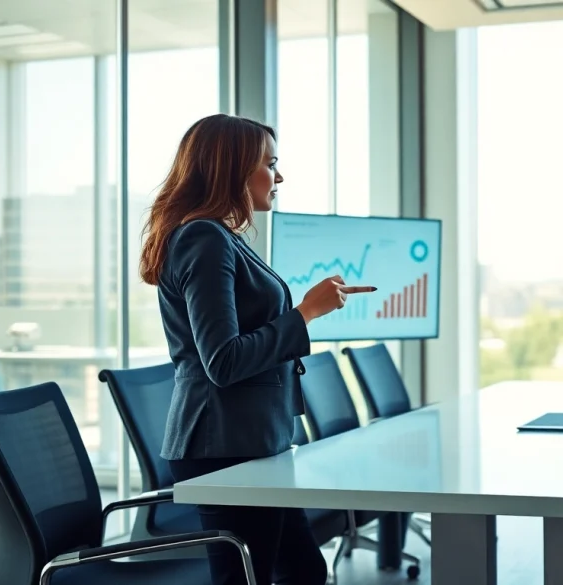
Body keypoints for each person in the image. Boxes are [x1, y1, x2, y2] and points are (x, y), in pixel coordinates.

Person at [139, 113, 376, 585]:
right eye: (270, 163)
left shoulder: (218, 237)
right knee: (249, 578)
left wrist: (304, 310)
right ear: (233, 169)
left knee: (303, 569)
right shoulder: (204, 238)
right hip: (223, 446)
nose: (279, 176)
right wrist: (305, 313)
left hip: (249, 440)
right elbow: (223, 361)